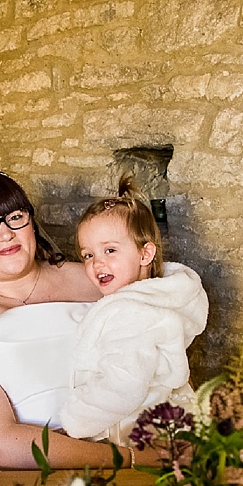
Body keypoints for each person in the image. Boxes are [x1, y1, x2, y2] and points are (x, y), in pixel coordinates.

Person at [0, 168, 139, 470]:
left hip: (123, 436)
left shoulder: (95, 279)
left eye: (15, 217)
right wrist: (124, 459)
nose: (6, 234)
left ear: (30, 222)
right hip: (12, 466)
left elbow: (152, 345)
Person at [59, 178, 209, 442]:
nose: (97, 263)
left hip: (132, 431)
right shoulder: (157, 299)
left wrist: (75, 423)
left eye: (110, 250)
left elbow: (122, 387)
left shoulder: (129, 313)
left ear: (145, 254)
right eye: (88, 255)